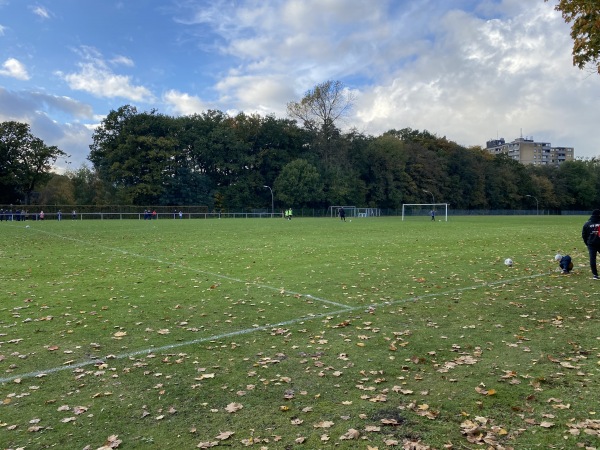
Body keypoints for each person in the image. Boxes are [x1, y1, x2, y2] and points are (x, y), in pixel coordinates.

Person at [582, 209, 600, 280]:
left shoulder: (587, 223)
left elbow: (584, 235)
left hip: (591, 244)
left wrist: (588, 243)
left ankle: (595, 275)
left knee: (592, 259)